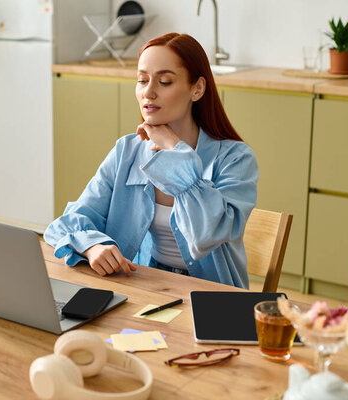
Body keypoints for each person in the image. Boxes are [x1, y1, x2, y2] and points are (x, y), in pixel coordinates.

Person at [44, 33, 258, 288]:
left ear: (197, 89)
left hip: (213, 294)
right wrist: (91, 245)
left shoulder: (235, 158)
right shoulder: (127, 151)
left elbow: (205, 236)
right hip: (146, 286)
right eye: (142, 80)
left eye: (164, 81)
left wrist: (176, 150)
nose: (149, 92)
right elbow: (66, 224)